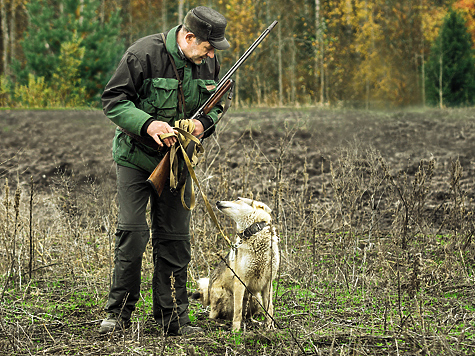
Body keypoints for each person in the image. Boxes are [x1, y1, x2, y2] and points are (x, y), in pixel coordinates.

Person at [99, 6, 230, 336]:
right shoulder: (143, 53)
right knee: (132, 234)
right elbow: (114, 100)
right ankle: (118, 315)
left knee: (175, 240)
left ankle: (172, 318)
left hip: (178, 161)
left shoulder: (208, 61)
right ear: (188, 37)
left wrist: (202, 124)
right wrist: (149, 124)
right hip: (135, 158)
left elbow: (219, 103)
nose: (212, 54)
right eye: (208, 46)